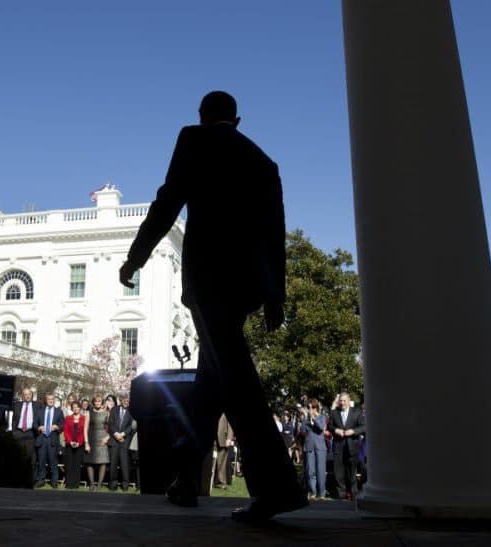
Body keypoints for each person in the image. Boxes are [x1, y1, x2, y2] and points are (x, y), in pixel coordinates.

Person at [119, 90, 306, 522]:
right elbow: (274, 233)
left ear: (203, 117)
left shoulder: (194, 139)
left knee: (235, 378)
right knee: (213, 380)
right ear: (236, 121)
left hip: (208, 280)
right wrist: (275, 295)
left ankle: (278, 487)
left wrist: (137, 256)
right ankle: (185, 477)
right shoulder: (263, 161)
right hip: (244, 288)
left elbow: (169, 201)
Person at [328, 392, 366, 500]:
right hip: (338, 445)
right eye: (340, 400)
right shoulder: (334, 412)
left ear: (349, 401)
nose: (342, 403)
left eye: (344, 400)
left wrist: (353, 431)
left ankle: (353, 493)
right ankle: (341, 493)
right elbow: (329, 426)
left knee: (352, 471)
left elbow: (364, 426)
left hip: (352, 445)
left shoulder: (357, 412)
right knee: (338, 470)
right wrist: (335, 430)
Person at [32, 393, 64, 488]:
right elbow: (34, 424)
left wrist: (57, 427)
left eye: (52, 399)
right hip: (42, 439)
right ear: (46, 400)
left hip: (52, 439)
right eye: (49, 399)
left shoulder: (59, 411)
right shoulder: (40, 411)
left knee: (53, 462)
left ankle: (54, 481)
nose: (50, 401)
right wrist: (38, 428)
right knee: (41, 462)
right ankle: (41, 480)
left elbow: (62, 425)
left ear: (54, 400)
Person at [106, 394, 135, 491]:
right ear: (121, 400)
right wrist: (116, 434)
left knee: (124, 464)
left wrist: (122, 434)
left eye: (128, 400)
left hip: (125, 441)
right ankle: (113, 484)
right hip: (114, 440)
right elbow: (111, 423)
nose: (126, 402)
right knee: (113, 463)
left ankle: (125, 485)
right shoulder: (114, 409)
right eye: (125, 400)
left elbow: (132, 426)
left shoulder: (132, 411)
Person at [301, 398, 328, 500]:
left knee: (320, 471)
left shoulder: (322, 417)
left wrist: (314, 418)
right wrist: (305, 418)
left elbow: (321, 428)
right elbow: (303, 431)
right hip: (309, 447)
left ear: (317, 407)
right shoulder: (305, 419)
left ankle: (321, 493)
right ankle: (312, 492)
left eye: (312, 407)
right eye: (308, 407)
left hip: (320, 447)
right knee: (310, 471)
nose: (310, 409)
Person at [10, 388, 40, 476]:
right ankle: (17, 476)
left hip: (31, 433)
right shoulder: (17, 405)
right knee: (17, 456)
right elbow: (14, 420)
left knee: (32, 458)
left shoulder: (38, 405)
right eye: (25, 394)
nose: (27, 396)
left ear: (32, 395)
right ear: (22, 395)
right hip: (18, 433)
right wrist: (14, 432)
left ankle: (31, 478)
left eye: (29, 394)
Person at [84, 394, 110, 491]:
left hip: (103, 439)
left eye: (99, 401)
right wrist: (86, 442)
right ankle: (91, 484)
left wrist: (107, 438)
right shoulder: (89, 413)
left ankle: (99, 484)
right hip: (91, 438)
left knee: (103, 462)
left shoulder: (107, 413)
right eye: (96, 401)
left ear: (102, 402)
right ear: (93, 402)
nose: (97, 403)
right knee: (90, 462)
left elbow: (111, 428)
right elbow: (85, 428)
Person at [63, 401, 87, 489]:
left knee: (77, 465)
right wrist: (70, 442)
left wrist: (79, 443)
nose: (75, 408)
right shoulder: (68, 418)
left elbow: (85, 432)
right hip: (69, 445)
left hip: (80, 445)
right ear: (72, 408)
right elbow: (65, 431)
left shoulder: (84, 418)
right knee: (69, 465)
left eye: (77, 407)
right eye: (74, 407)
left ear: (80, 408)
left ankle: (75, 484)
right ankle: (68, 483)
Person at [214, 414, 235, 489]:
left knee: (221, 462)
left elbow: (230, 424)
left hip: (223, 437)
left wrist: (229, 438)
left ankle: (221, 483)